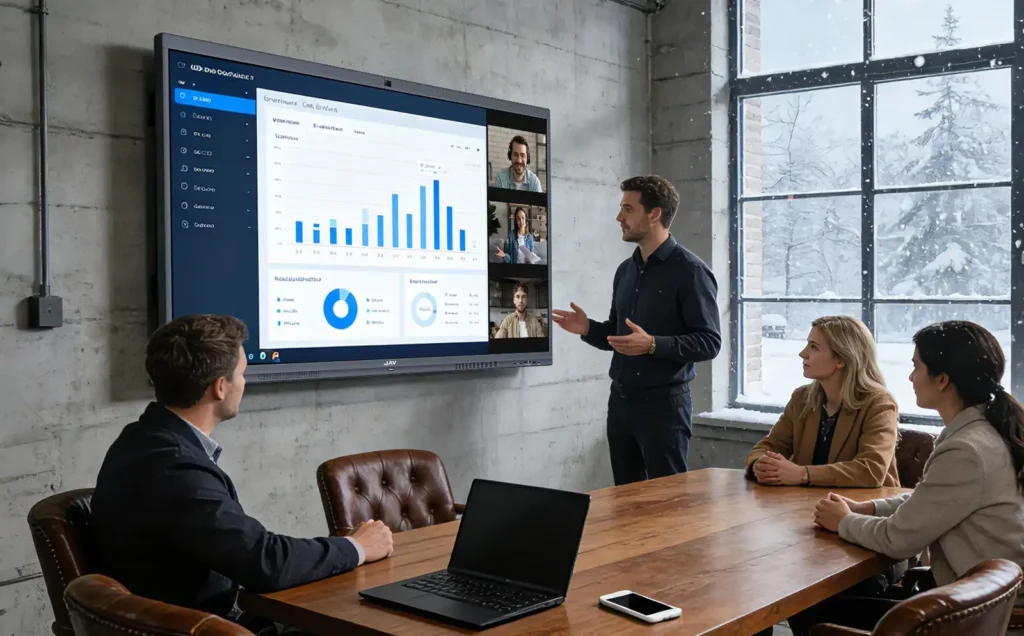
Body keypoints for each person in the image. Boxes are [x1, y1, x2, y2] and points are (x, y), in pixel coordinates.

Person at [90, 314, 394, 636]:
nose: (244, 384)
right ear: (221, 387)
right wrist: (357, 547)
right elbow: (266, 563)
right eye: (242, 374)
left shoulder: (140, 439)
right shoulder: (176, 469)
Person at [804, 321, 1024, 635]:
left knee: (815, 608)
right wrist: (870, 508)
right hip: (980, 602)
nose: (910, 377)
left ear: (942, 380)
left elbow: (897, 540)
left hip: (973, 616)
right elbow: (933, 500)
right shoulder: (987, 431)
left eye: (916, 366)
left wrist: (843, 521)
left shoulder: (967, 450)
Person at [552, 175, 720, 486]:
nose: (619, 217)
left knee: (666, 501)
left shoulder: (691, 271)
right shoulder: (625, 271)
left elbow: (709, 342)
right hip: (620, 402)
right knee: (626, 500)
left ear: (654, 214)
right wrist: (587, 329)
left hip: (664, 407)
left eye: (628, 209)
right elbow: (620, 338)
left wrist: (654, 344)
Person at [746, 316, 900, 489]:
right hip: (804, 502)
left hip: (865, 505)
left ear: (841, 359)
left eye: (814, 347)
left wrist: (803, 474)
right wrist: (760, 465)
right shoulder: (801, 399)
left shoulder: (880, 404)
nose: (803, 353)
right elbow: (769, 446)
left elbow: (871, 470)